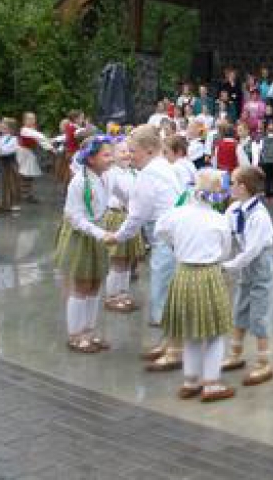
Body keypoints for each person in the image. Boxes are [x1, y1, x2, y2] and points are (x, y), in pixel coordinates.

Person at [106, 125, 185, 371]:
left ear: (149, 149)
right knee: (167, 289)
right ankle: (169, 343)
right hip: (173, 235)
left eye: (133, 151)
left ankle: (175, 350)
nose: (130, 156)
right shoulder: (164, 167)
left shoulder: (149, 174)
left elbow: (137, 214)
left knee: (164, 291)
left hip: (165, 237)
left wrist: (117, 237)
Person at [155, 168, 236, 402]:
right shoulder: (219, 219)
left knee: (190, 331)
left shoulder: (178, 214)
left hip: (183, 273)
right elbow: (225, 251)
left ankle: (190, 381)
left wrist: (175, 245)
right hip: (209, 274)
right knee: (214, 333)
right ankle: (211, 383)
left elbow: (160, 230)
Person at [57, 136, 114, 353]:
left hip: (97, 234)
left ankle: (89, 331)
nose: (111, 158)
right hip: (83, 236)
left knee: (95, 284)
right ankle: (75, 334)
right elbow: (75, 217)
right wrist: (99, 233)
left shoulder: (104, 177)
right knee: (81, 285)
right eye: (106, 155)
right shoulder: (80, 182)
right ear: (91, 159)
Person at [221, 166, 273, 387]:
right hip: (246, 262)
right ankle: (235, 354)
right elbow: (223, 230)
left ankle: (264, 362)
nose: (229, 186)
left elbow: (253, 249)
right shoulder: (235, 208)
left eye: (232, 182)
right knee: (241, 306)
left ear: (243, 187)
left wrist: (229, 265)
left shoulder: (259, 216)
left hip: (260, 263)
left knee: (259, 312)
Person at [101, 140, 146, 313]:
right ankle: (112, 296)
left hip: (131, 218)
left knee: (127, 260)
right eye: (122, 151)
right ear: (112, 156)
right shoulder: (111, 174)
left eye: (129, 151)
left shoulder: (134, 172)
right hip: (117, 217)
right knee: (118, 260)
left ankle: (123, 294)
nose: (127, 154)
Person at [17, 112, 53, 203]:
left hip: (29, 153)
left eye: (33, 119)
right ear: (24, 121)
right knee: (25, 173)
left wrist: (49, 147)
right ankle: (23, 194)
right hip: (24, 153)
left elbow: (40, 140)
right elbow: (39, 137)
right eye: (29, 119)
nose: (32, 120)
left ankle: (26, 193)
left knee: (29, 174)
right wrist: (50, 146)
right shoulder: (25, 130)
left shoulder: (32, 130)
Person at [0, 119, 21, 212]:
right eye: (1, 126)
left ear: (10, 128)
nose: (2, 127)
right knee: (2, 182)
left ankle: (13, 203)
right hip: (2, 162)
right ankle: (3, 203)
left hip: (9, 163)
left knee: (11, 182)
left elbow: (7, 151)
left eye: (4, 126)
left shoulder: (13, 139)